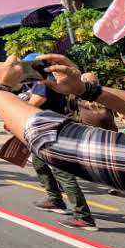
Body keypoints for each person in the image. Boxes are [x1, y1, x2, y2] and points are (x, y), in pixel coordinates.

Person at [0, 54, 125, 206]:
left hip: (55, 129)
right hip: (64, 123)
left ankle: (78, 212)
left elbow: (55, 143)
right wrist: (84, 89)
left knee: (62, 174)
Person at [22, 59, 96, 231]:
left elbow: (34, 103)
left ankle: (83, 216)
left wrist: (16, 105)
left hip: (50, 131)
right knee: (40, 164)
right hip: (47, 130)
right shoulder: (57, 81)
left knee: (62, 173)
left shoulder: (43, 83)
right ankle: (54, 199)